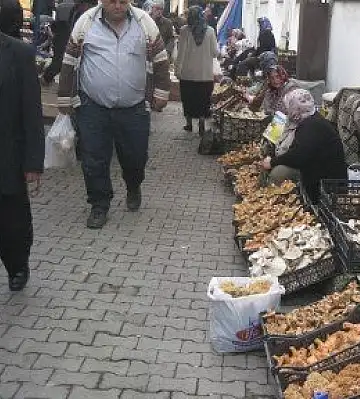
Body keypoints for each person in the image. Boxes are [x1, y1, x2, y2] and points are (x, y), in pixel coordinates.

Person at [57, 0, 171, 229]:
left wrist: (161, 92)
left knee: (135, 158)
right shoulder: (86, 23)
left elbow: (160, 59)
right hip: (93, 107)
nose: (118, 6)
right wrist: (64, 98)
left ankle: (133, 184)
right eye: (112, 1)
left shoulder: (144, 23)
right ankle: (99, 205)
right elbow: (69, 62)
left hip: (135, 108)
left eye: (123, 1)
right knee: (93, 159)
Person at [0, 2, 45, 291]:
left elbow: (31, 111)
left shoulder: (18, 53)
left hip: (7, 156)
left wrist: (32, 163)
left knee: (11, 226)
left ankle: (17, 264)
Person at [260, 89, 347, 202]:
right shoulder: (311, 120)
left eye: (288, 108)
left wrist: (272, 162)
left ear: (295, 109)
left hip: (327, 184)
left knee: (279, 172)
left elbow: (298, 156)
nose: (287, 112)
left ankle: (275, 202)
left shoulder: (311, 126)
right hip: (319, 172)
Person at [174, 5, 217, 135]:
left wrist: (177, 70)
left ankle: (188, 124)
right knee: (203, 99)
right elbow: (215, 52)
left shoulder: (184, 31)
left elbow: (180, 53)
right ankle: (202, 123)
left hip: (188, 73)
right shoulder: (210, 31)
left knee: (188, 99)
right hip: (205, 74)